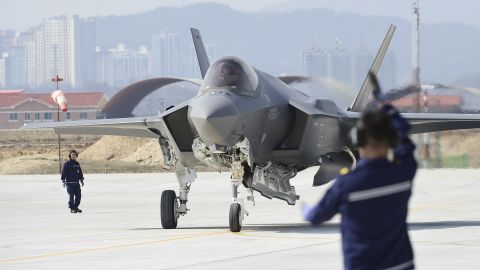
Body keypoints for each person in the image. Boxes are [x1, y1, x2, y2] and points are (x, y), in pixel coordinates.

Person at [303, 102, 417, 270]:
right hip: (402, 265)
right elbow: (407, 147)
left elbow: (317, 216)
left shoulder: (347, 184)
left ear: (359, 141)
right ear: (391, 140)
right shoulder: (403, 172)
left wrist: (305, 210)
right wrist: (393, 115)